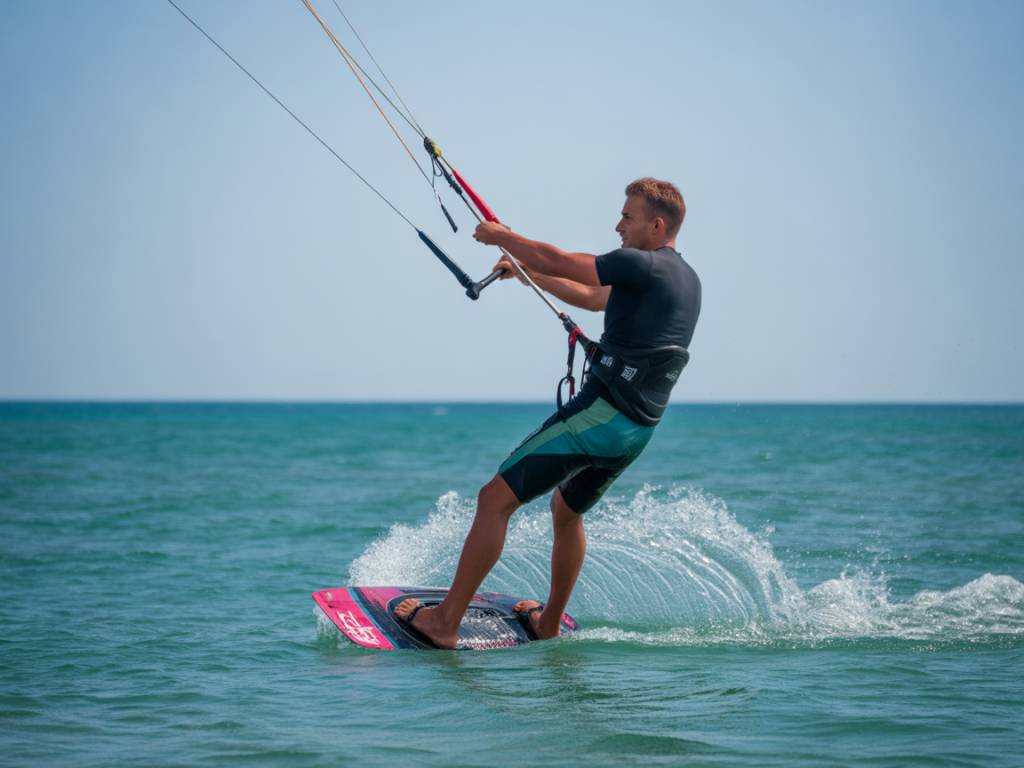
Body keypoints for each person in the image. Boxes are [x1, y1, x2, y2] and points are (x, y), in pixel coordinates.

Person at [395, 178, 701, 649]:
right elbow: (596, 298)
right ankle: (548, 622)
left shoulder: (641, 264)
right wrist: (528, 273)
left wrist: (504, 238)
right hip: (635, 432)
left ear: (657, 225)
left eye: (628, 217)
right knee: (566, 509)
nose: (617, 225)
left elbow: (563, 260)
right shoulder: (683, 279)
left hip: (600, 416)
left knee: (493, 499)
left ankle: (445, 623)